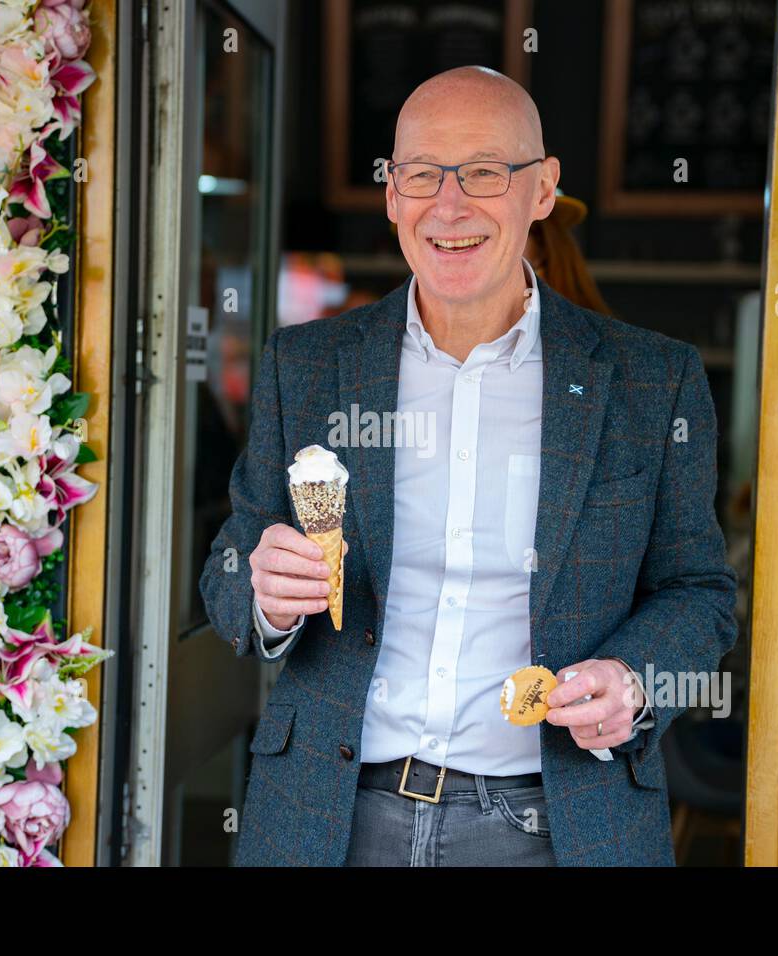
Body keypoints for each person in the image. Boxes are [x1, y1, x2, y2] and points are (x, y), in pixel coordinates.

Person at [199, 66, 737, 866]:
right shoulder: (306, 366)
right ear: (391, 195)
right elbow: (230, 568)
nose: (448, 206)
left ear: (544, 189)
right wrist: (266, 597)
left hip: (558, 826)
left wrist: (634, 676)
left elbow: (700, 594)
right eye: (420, 175)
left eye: (485, 172)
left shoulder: (652, 381)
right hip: (328, 817)